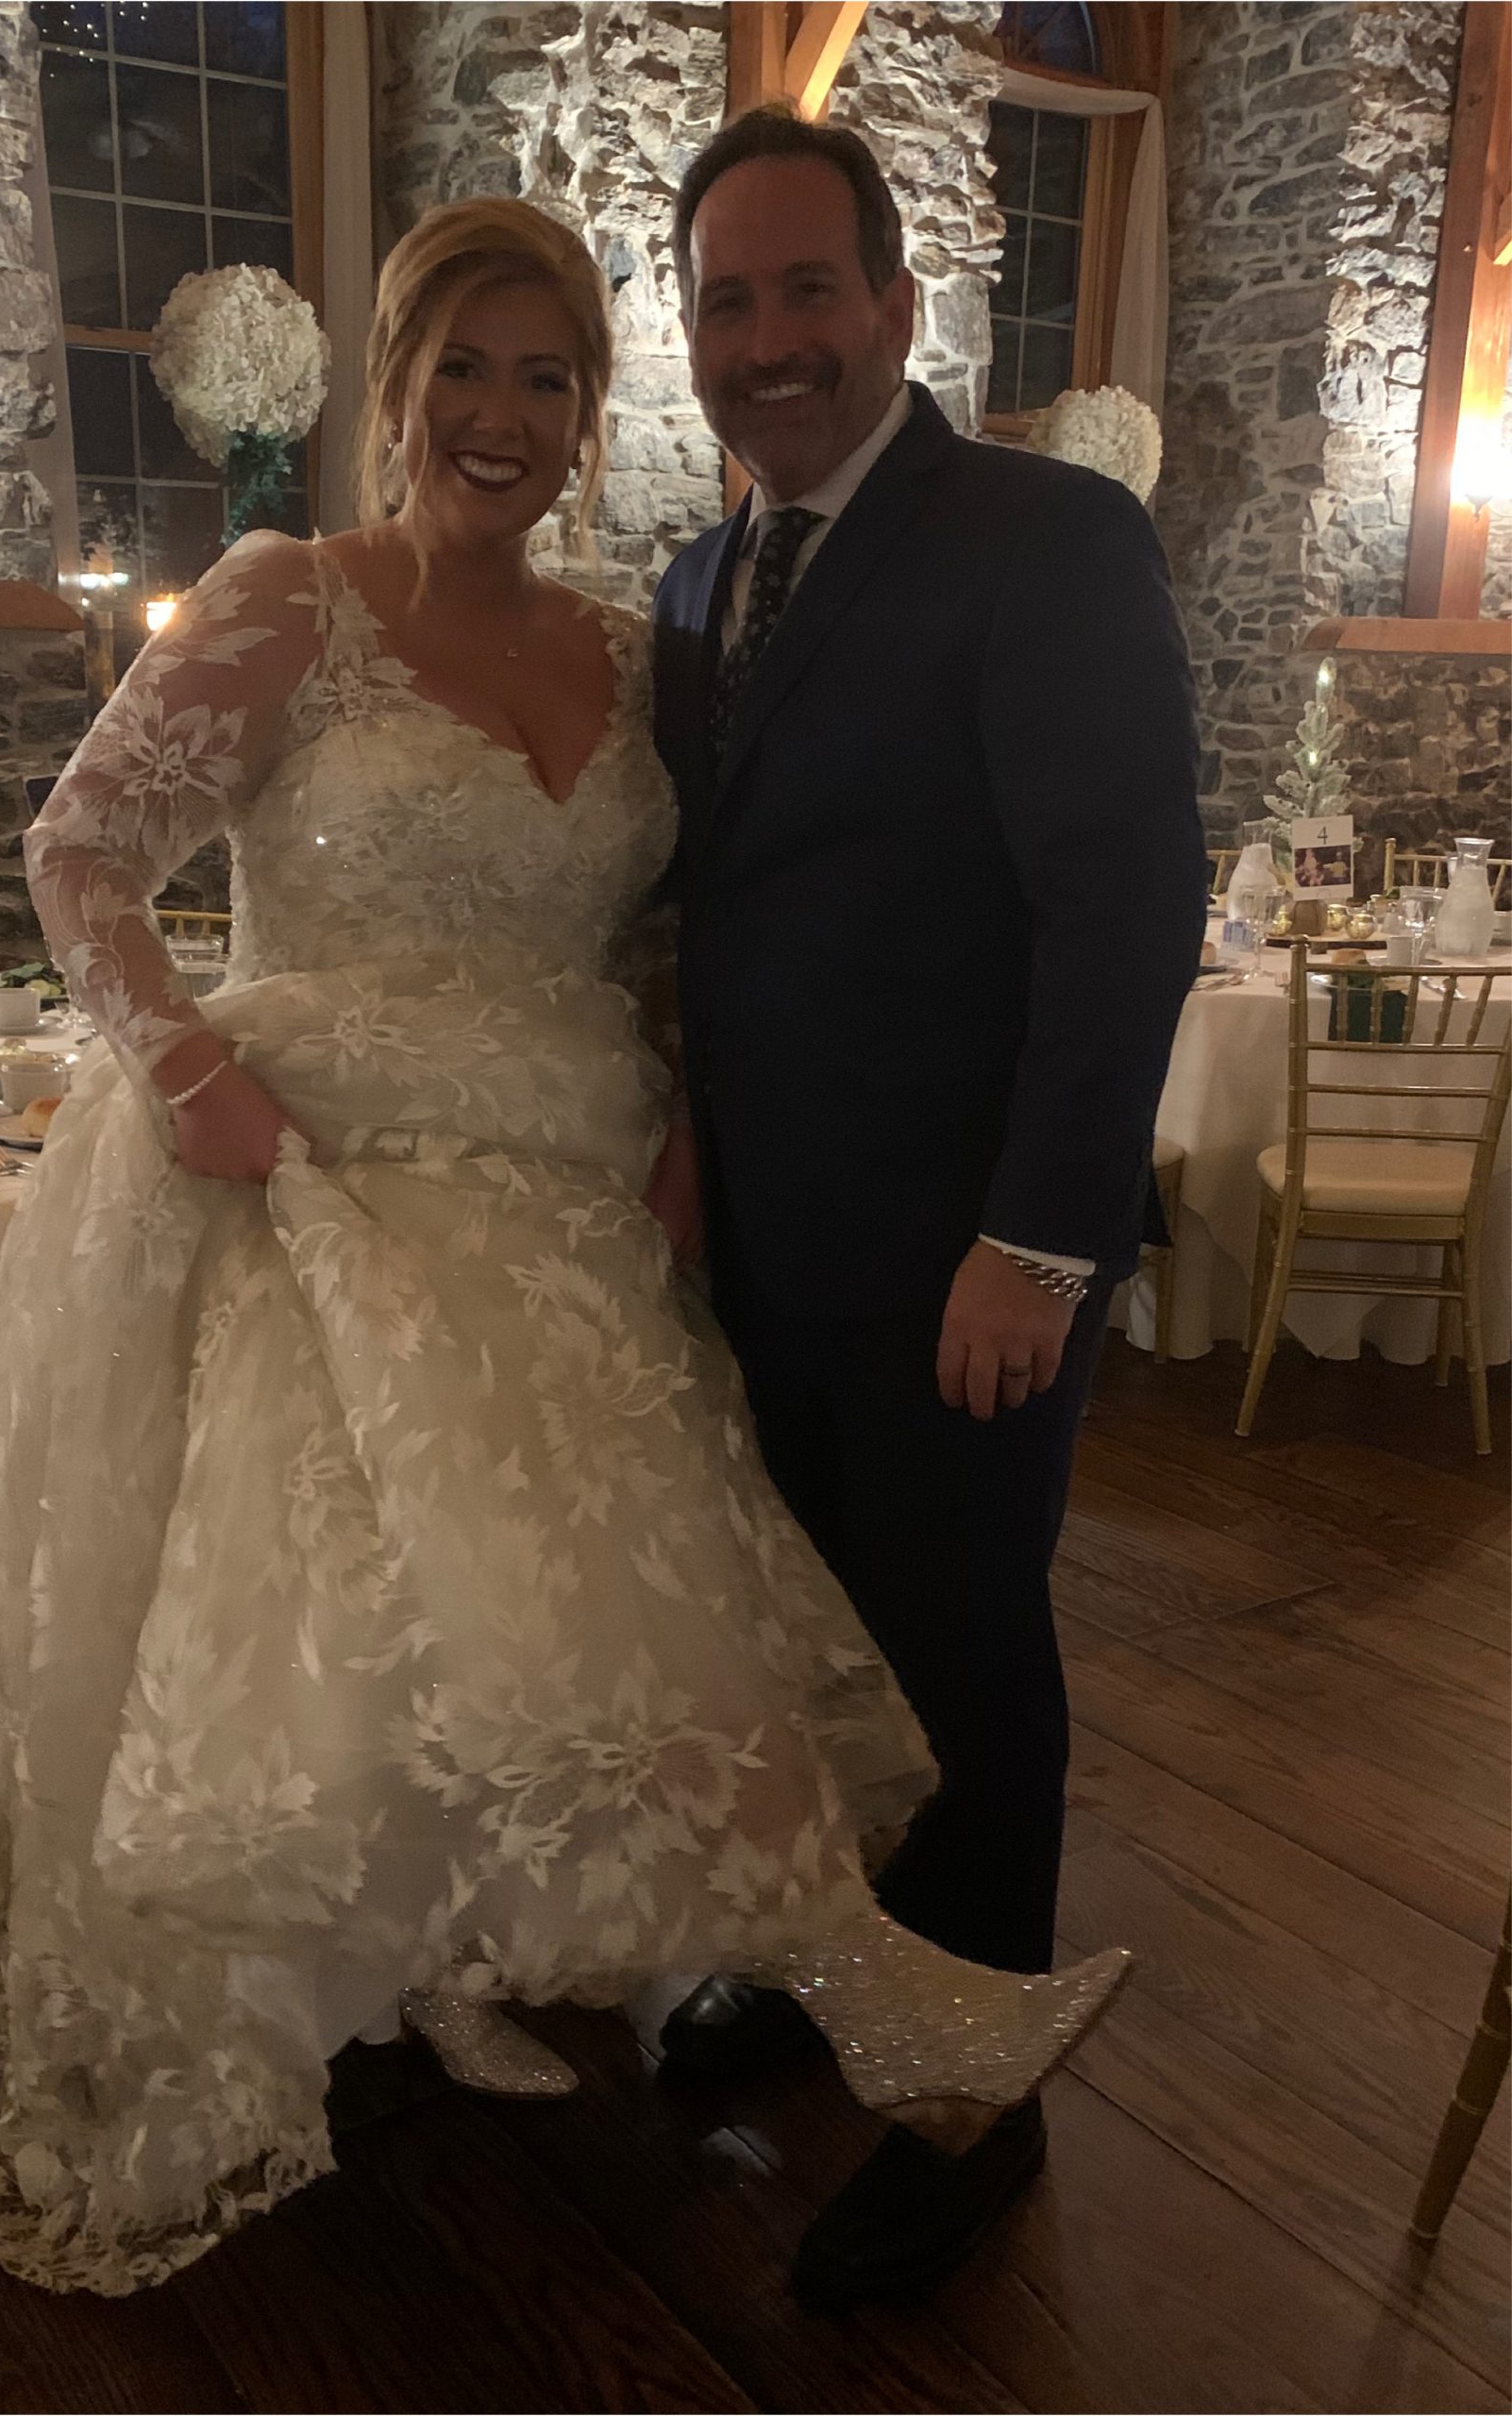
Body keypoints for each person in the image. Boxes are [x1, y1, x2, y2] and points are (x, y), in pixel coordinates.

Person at [0, 196, 1124, 2298]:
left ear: (591, 412)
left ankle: (790, 1994)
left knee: (623, 1619)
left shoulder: (634, 644)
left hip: (571, 1199)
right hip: (314, 1178)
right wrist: (181, 1063)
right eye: (463, 366)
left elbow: (667, 936)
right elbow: (80, 847)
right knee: (377, 1636)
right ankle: (804, 2005)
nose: (502, 412)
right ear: (391, 388)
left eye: (547, 376)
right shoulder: (286, 596)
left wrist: (684, 1132)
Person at [647, 109, 1205, 2311]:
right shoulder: (699, 578)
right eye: (727, 300)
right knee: (809, 1645)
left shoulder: (1045, 537)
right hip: (760, 1251)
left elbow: (1123, 906)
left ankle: (977, 2094)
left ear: (895, 302)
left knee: (961, 1663)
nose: (769, 338)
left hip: (967, 1256)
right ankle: (824, 1966)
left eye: (810, 288)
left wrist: (1042, 1241)